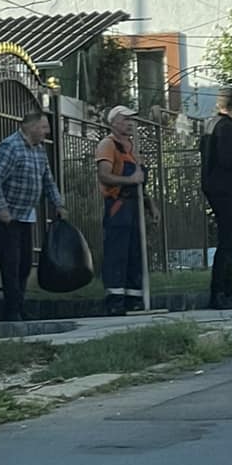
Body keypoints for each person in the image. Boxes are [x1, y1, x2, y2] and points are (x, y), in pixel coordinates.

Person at [0, 107, 65, 322]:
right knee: (10, 263)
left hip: (25, 215)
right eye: (43, 127)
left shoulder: (39, 150)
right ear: (30, 127)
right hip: (6, 216)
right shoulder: (10, 147)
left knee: (25, 263)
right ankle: (12, 311)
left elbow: (47, 179)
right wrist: (2, 208)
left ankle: (18, 306)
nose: (47, 132)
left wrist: (58, 203)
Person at [200, 88, 232, 310]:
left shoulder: (211, 125)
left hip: (215, 189)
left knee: (228, 242)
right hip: (227, 191)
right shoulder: (229, 128)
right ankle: (220, 293)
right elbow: (229, 160)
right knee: (227, 242)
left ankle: (228, 292)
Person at [95, 105, 146, 317]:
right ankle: (115, 299)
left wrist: (150, 206)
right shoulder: (108, 145)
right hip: (118, 205)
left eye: (131, 120)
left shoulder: (131, 147)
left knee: (135, 252)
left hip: (135, 205)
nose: (130, 123)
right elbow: (104, 176)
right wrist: (129, 180)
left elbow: (141, 182)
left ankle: (134, 298)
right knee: (117, 253)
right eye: (125, 119)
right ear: (114, 121)